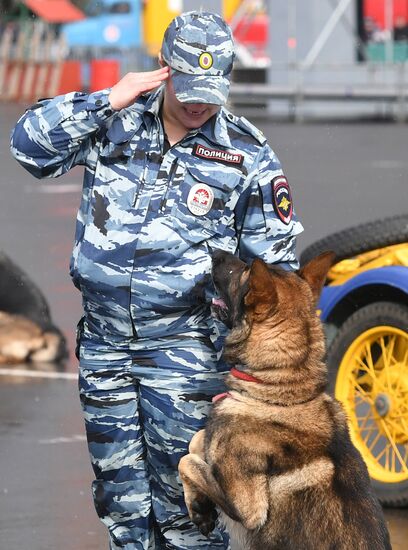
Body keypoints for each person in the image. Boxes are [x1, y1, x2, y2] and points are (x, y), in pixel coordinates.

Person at [10, 10, 303, 550]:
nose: (198, 103)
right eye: (189, 87)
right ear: (164, 68)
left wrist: (259, 387)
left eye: (211, 91)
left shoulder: (247, 155)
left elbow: (279, 283)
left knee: (188, 512)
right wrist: (106, 99)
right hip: (104, 348)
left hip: (186, 352)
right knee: (121, 507)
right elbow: (28, 148)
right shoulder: (113, 119)